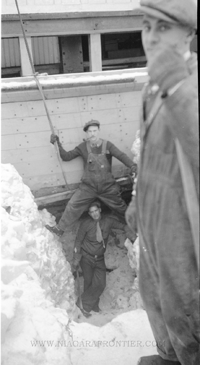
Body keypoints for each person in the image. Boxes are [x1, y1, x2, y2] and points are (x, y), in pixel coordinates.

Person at [125, 1, 199, 364]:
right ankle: (167, 356)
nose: (151, 37)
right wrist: (136, 200)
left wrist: (176, 85)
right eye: (146, 26)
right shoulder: (151, 88)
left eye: (164, 27)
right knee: (154, 297)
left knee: (186, 308)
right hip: (152, 222)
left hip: (184, 231)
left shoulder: (189, 83)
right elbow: (150, 155)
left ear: (189, 32)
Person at [46, 120, 136, 236]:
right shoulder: (83, 147)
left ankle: (134, 226)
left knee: (120, 207)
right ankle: (60, 229)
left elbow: (121, 155)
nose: (92, 134)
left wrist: (133, 166)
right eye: (90, 131)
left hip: (107, 187)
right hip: (88, 187)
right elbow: (66, 157)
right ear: (86, 133)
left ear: (98, 131)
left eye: (95, 131)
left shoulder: (107, 145)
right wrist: (57, 143)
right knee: (73, 205)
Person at [73, 200, 134, 317]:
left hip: (99, 258)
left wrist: (132, 231)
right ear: (89, 214)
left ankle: (82, 304)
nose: (95, 214)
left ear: (100, 210)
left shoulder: (108, 221)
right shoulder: (85, 224)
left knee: (100, 284)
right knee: (89, 282)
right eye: (91, 212)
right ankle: (91, 306)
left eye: (96, 211)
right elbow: (78, 241)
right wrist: (76, 259)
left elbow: (122, 226)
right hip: (86, 257)